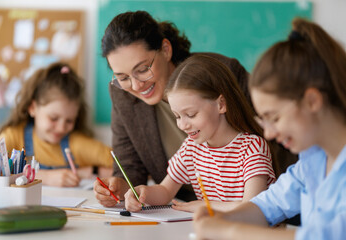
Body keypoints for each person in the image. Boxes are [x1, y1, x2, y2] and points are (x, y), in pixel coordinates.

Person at [94, 10, 295, 206]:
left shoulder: (220, 75)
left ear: (165, 49)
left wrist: (209, 206)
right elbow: (132, 167)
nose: (136, 85)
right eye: (122, 78)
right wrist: (122, 187)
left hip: (273, 204)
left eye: (142, 69)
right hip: (187, 212)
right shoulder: (124, 95)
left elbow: (277, 134)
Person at [193, 18, 346, 240]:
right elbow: (269, 205)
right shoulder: (313, 158)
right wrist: (224, 218)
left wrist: (230, 231)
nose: (269, 134)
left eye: (274, 117)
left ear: (312, 101)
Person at [124, 54, 275, 213]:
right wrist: (142, 193)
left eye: (191, 114)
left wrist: (204, 205)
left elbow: (252, 208)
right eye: (177, 116)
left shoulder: (252, 148)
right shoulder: (192, 148)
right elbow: (165, 190)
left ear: (221, 104)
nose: (182, 125)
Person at [0, 62, 113, 187]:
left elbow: (127, 166)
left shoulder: (76, 144)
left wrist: (88, 172)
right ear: (32, 108)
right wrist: (45, 177)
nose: (62, 128)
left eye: (69, 121)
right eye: (54, 118)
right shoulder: (14, 136)